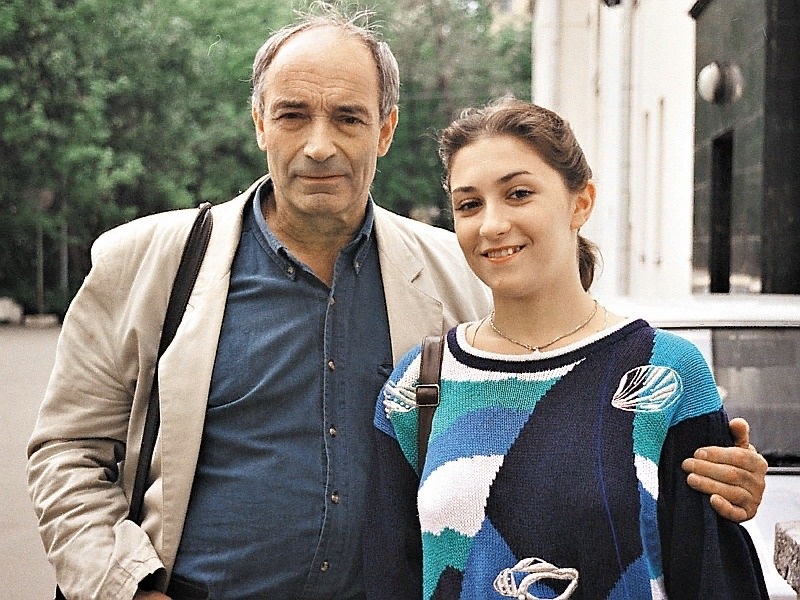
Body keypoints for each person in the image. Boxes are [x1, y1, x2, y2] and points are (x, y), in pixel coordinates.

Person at [26, 4, 765, 600]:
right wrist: (129, 586)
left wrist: (705, 473)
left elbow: (570, 390)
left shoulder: (462, 269)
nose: (319, 145)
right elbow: (67, 454)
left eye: (348, 117)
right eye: (292, 115)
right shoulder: (149, 263)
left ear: (384, 129)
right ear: (259, 124)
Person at [364, 98, 770, 600]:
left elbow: (711, 577)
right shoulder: (417, 386)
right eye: (469, 205)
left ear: (581, 202)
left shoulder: (665, 372)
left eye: (518, 194)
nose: (491, 224)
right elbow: (390, 575)